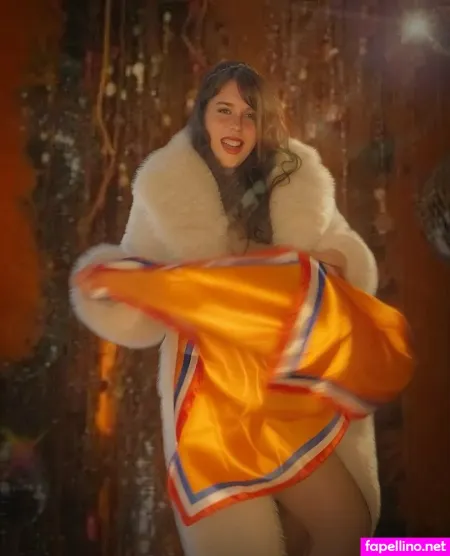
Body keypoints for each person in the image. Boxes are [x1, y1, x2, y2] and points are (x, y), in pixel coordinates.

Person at [71, 61, 381, 556]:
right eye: (224, 110)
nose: (236, 125)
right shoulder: (166, 189)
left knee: (349, 525)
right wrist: (115, 288)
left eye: (249, 114)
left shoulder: (296, 178)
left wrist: (334, 262)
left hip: (285, 387)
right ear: (203, 116)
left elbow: (344, 246)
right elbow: (144, 288)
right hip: (212, 400)